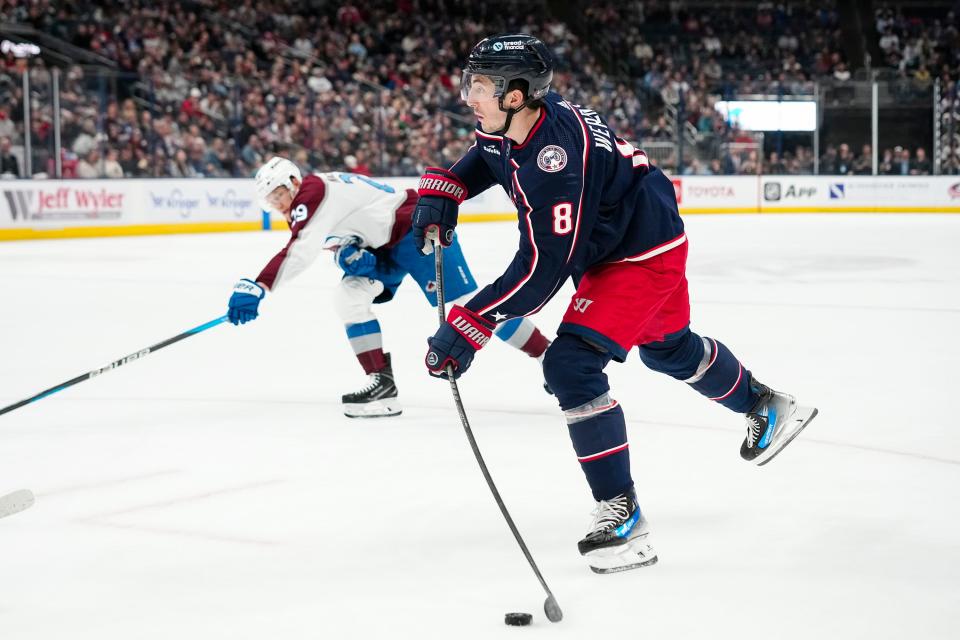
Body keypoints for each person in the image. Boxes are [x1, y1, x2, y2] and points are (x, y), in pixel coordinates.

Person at [411, 34, 818, 574]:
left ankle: (622, 516)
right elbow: (490, 155)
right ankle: (766, 405)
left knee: (570, 365)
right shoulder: (519, 121)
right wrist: (449, 188)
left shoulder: (554, 163)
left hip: (638, 254)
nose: (468, 96)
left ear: (514, 95)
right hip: (639, 236)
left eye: (479, 86)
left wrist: (471, 322)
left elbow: (541, 271)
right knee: (668, 350)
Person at [227, 156, 551, 418]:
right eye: (271, 202)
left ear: (293, 182)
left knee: (469, 305)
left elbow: (301, 250)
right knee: (348, 297)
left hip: (413, 229)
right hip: (383, 246)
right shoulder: (312, 197)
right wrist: (348, 257)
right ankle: (381, 383)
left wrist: (258, 286)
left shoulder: (310, 194)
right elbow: (344, 234)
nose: (278, 204)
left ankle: (546, 356)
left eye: (278, 195)